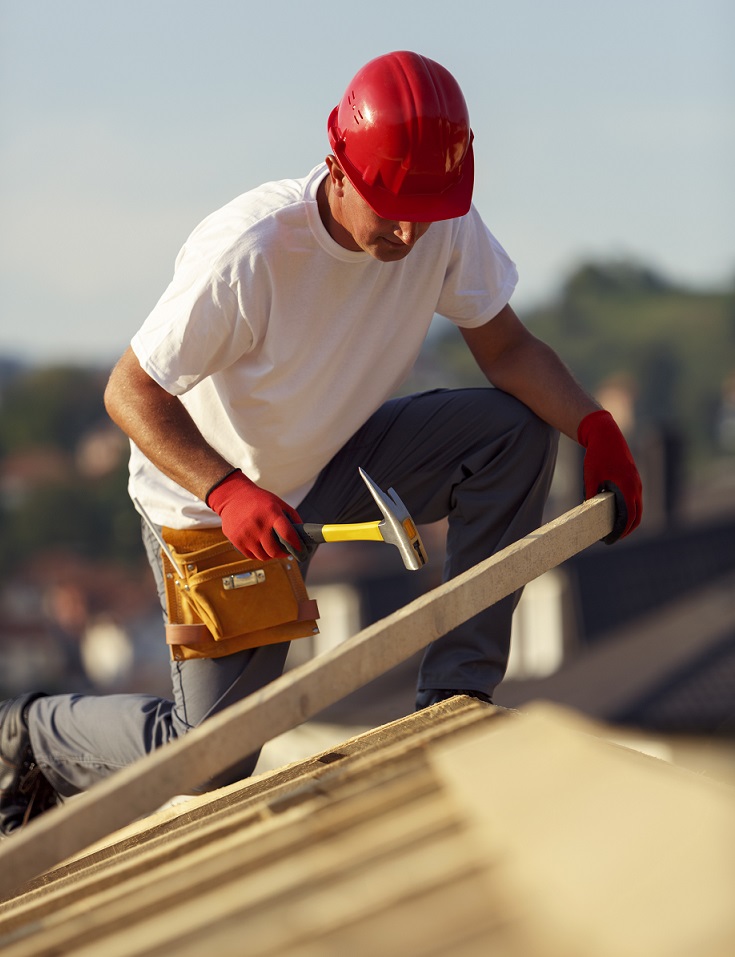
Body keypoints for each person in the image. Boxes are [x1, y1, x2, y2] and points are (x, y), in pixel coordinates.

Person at [0, 50, 642, 835]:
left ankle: (454, 694)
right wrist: (226, 491)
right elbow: (129, 392)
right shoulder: (250, 252)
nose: (408, 230)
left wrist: (593, 427)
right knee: (211, 757)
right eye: (391, 209)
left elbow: (507, 350)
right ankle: (29, 736)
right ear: (338, 168)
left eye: (424, 211)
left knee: (512, 435)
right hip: (212, 505)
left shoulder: (438, 218)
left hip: (336, 459)